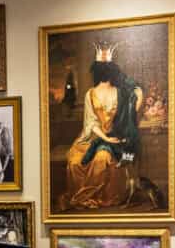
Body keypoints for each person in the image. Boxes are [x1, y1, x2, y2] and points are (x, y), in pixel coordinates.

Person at [60, 43, 143, 210]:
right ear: (97, 70)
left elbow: (137, 94)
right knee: (74, 161)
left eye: (107, 67)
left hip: (115, 136)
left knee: (102, 159)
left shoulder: (120, 92)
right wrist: (105, 137)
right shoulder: (89, 94)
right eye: (102, 67)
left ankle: (104, 197)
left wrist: (122, 127)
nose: (105, 70)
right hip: (93, 136)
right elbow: (90, 122)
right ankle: (83, 198)